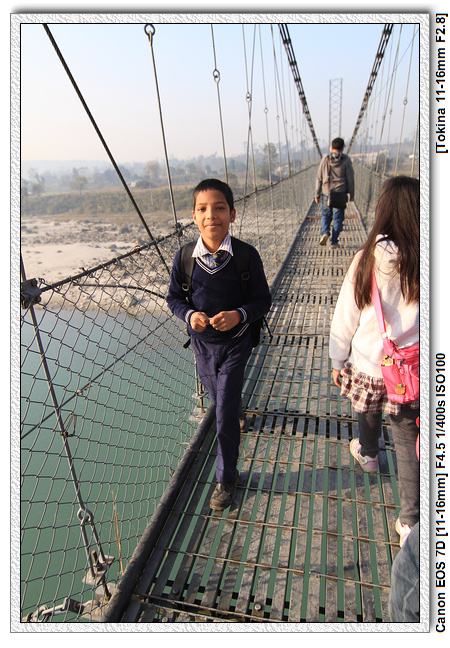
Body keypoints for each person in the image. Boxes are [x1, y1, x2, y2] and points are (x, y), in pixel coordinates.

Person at [166, 178, 272, 511]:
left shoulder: (246, 256)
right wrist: (190, 316)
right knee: (220, 398)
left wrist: (239, 315)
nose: (211, 215)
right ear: (194, 217)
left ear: (233, 214)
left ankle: (226, 479)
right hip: (202, 347)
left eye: (220, 208)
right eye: (203, 209)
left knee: (222, 413)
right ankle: (234, 407)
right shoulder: (185, 258)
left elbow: (263, 300)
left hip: (236, 345)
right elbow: (173, 299)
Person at [329, 175, 419, 547]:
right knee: (407, 440)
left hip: (369, 363)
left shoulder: (366, 258)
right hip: (410, 371)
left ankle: (367, 454)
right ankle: (410, 523)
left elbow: (346, 314)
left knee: (367, 413)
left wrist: (337, 359)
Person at [315, 137, 355, 248]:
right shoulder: (346, 160)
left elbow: (319, 178)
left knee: (325, 215)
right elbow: (350, 178)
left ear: (331, 147)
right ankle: (334, 242)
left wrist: (317, 194)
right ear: (342, 148)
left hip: (326, 193)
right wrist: (352, 194)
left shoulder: (325, 159)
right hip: (340, 194)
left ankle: (325, 232)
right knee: (338, 218)